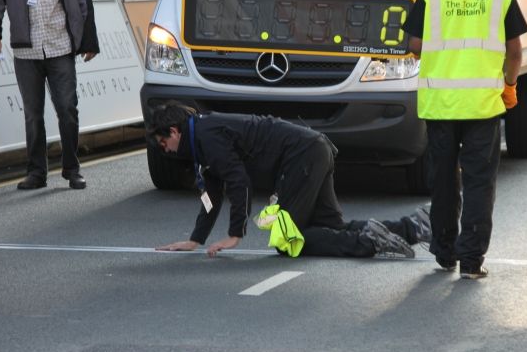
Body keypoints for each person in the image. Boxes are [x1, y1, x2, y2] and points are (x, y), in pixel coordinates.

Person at [402, 0, 527, 279]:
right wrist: (509, 85)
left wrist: (441, 52)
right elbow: (514, 51)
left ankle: (444, 253)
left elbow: (412, 45)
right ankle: (472, 261)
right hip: (484, 106)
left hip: (441, 106)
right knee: (478, 184)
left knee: (443, 182)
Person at [150, 103, 432, 258]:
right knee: (330, 227)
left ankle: (369, 244)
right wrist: (195, 239)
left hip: (302, 156)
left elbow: (238, 182)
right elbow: (211, 194)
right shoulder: (201, 141)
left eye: (163, 142)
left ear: (174, 132)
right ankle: (413, 227)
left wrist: (235, 234)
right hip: (313, 149)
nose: (165, 149)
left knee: (287, 238)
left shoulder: (206, 136)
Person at [0, 0, 100, 190]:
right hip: (26, 51)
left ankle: (72, 168)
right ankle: (37, 172)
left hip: (60, 46)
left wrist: (89, 40)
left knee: (67, 109)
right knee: (32, 115)